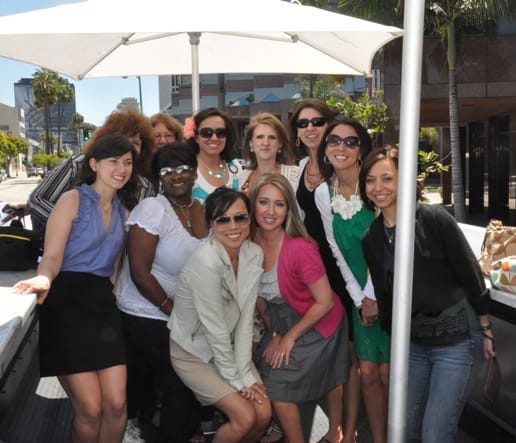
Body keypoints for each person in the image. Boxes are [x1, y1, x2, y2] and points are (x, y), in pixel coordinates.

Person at [360, 146, 495, 443]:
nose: (378, 187)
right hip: (413, 345)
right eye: (370, 180)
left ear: (404, 180)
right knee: (404, 430)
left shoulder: (434, 219)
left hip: (456, 341)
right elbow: (386, 298)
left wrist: (485, 328)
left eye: (387, 178)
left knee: (435, 434)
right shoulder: (371, 238)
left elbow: (470, 272)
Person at [13, 134, 139, 443]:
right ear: (94, 164)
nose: (121, 169)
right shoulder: (72, 199)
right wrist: (43, 280)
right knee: (91, 409)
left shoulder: (125, 211)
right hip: (66, 305)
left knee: (117, 405)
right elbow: (52, 257)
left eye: (127, 162)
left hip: (103, 309)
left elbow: (112, 271)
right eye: (113, 161)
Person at [115, 143, 207, 443]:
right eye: (166, 171)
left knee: (192, 375)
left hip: (181, 312)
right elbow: (140, 273)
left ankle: (186, 431)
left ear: (194, 171)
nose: (176, 176)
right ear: (158, 178)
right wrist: (174, 311)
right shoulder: (152, 209)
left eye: (182, 168)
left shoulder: (201, 209)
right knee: (182, 377)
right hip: (144, 312)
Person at [251, 173, 348, 443]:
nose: (271, 212)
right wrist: (275, 333)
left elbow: (325, 302)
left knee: (279, 385)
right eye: (264, 202)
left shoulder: (300, 248)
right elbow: (257, 297)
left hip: (320, 319)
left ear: (289, 209)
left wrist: (289, 337)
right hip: (281, 319)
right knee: (267, 369)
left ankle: (325, 433)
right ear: (253, 204)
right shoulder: (247, 242)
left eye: (279, 204)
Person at [169, 187, 271, 443]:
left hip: (230, 347)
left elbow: (247, 319)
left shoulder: (253, 254)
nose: (233, 225)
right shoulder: (205, 262)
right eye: (222, 219)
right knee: (245, 417)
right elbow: (214, 329)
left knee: (263, 413)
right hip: (194, 353)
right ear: (211, 225)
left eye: (240, 217)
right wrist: (238, 383)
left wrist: (246, 375)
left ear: (250, 219)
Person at [290, 99, 360, 443]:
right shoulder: (299, 169)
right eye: (303, 124)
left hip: (348, 270)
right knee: (334, 353)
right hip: (317, 275)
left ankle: (349, 428)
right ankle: (337, 427)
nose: (310, 129)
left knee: (352, 354)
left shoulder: (341, 166)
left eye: (317, 122)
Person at [315, 117, 389, 443]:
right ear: (325, 148)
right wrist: (359, 298)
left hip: (388, 286)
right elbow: (336, 250)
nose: (341, 147)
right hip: (358, 294)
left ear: (362, 148)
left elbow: (387, 246)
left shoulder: (375, 185)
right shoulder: (322, 193)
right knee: (368, 374)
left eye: (350, 141)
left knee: (389, 373)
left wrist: (372, 295)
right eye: (334, 140)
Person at [28, 109, 154, 234]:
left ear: (143, 148)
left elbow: (139, 231)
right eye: (121, 139)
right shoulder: (76, 165)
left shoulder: (144, 187)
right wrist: (72, 225)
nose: (128, 147)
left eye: (136, 143)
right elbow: (37, 200)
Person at [185, 107, 244, 202]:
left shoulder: (237, 168)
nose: (214, 138)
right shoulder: (187, 171)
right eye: (206, 133)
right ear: (196, 137)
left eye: (220, 132)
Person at [239, 112, 298, 194]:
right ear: (251, 143)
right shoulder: (241, 177)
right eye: (260, 137)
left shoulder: (295, 176)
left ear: (280, 144)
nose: (266, 143)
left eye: (272, 137)